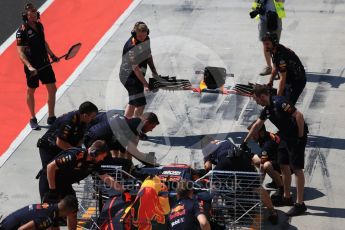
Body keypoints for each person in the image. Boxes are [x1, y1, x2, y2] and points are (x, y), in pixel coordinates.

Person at [242, 85, 308, 216]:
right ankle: (287, 197)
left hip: (296, 137)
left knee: (297, 169)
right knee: (284, 164)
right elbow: (257, 125)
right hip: (284, 135)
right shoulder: (267, 109)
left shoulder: (280, 102)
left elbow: (299, 116)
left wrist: (300, 137)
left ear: (262, 97)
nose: (257, 103)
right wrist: (245, 142)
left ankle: (300, 204)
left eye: (256, 100)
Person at [39, 140, 123, 230]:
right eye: (102, 157)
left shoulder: (94, 163)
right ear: (95, 153)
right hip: (50, 183)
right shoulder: (74, 155)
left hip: (64, 184)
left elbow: (105, 177)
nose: (102, 159)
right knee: (52, 217)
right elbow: (50, 167)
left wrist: (123, 190)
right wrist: (52, 190)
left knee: (73, 210)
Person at [201, 136, 279, 225]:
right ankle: (273, 212)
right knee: (257, 187)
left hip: (226, 162)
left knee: (214, 186)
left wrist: (211, 176)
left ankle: (214, 212)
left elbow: (207, 166)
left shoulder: (208, 147)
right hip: (242, 158)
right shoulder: (224, 141)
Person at [16, 3, 60, 129]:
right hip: (32, 67)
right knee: (31, 90)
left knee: (53, 89)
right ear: (26, 16)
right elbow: (20, 52)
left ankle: (51, 117)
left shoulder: (40, 25)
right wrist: (29, 66)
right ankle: (32, 118)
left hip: (45, 62)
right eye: (31, 16)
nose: (34, 17)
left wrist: (52, 55)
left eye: (35, 15)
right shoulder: (21, 32)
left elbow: (43, 41)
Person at [84, 111, 160, 167]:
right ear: (146, 122)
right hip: (93, 145)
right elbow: (133, 152)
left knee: (121, 163)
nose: (151, 130)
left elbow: (124, 150)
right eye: (151, 127)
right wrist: (149, 160)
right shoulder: (134, 128)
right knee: (126, 163)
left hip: (90, 138)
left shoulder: (129, 122)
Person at [37, 101, 98, 169]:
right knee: (49, 170)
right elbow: (60, 142)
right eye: (92, 117)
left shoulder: (84, 121)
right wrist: (76, 153)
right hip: (49, 147)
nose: (93, 119)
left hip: (63, 147)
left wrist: (79, 151)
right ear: (85, 115)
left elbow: (80, 138)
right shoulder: (69, 121)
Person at [119, 21, 159, 118]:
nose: (142, 38)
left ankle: (126, 122)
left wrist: (154, 72)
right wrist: (146, 85)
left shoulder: (146, 39)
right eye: (140, 36)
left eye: (144, 35)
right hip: (129, 78)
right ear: (134, 33)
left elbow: (148, 54)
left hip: (136, 76)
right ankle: (135, 127)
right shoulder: (131, 46)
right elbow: (135, 69)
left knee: (133, 102)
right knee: (140, 104)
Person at [263, 32, 306, 105]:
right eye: (264, 44)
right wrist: (271, 81)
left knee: (286, 105)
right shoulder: (273, 49)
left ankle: (293, 115)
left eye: (267, 44)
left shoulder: (281, 57)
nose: (265, 46)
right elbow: (275, 66)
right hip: (289, 79)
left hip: (297, 82)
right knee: (281, 102)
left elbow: (283, 78)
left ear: (274, 43)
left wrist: (278, 99)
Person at [247, 122, 286, 202]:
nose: (251, 137)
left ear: (261, 132)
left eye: (253, 134)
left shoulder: (267, 143)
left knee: (266, 165)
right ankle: (276, 180)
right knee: (255, 159)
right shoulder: (265, 136)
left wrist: (258, 186)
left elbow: (262, 166)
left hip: (287, 165)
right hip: (278, 158)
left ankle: (282, 188)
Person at [249, 0, 285, 76]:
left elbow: (281, 1)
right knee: (265, 44)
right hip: (263, 18)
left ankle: (276, 68)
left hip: (276, 17)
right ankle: (269, 67)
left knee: (275, 45)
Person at [0, 195, 78, 230]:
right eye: (74, 213)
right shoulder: (47, 218)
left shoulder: (49, 207)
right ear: (69, 212)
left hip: (5, 224)